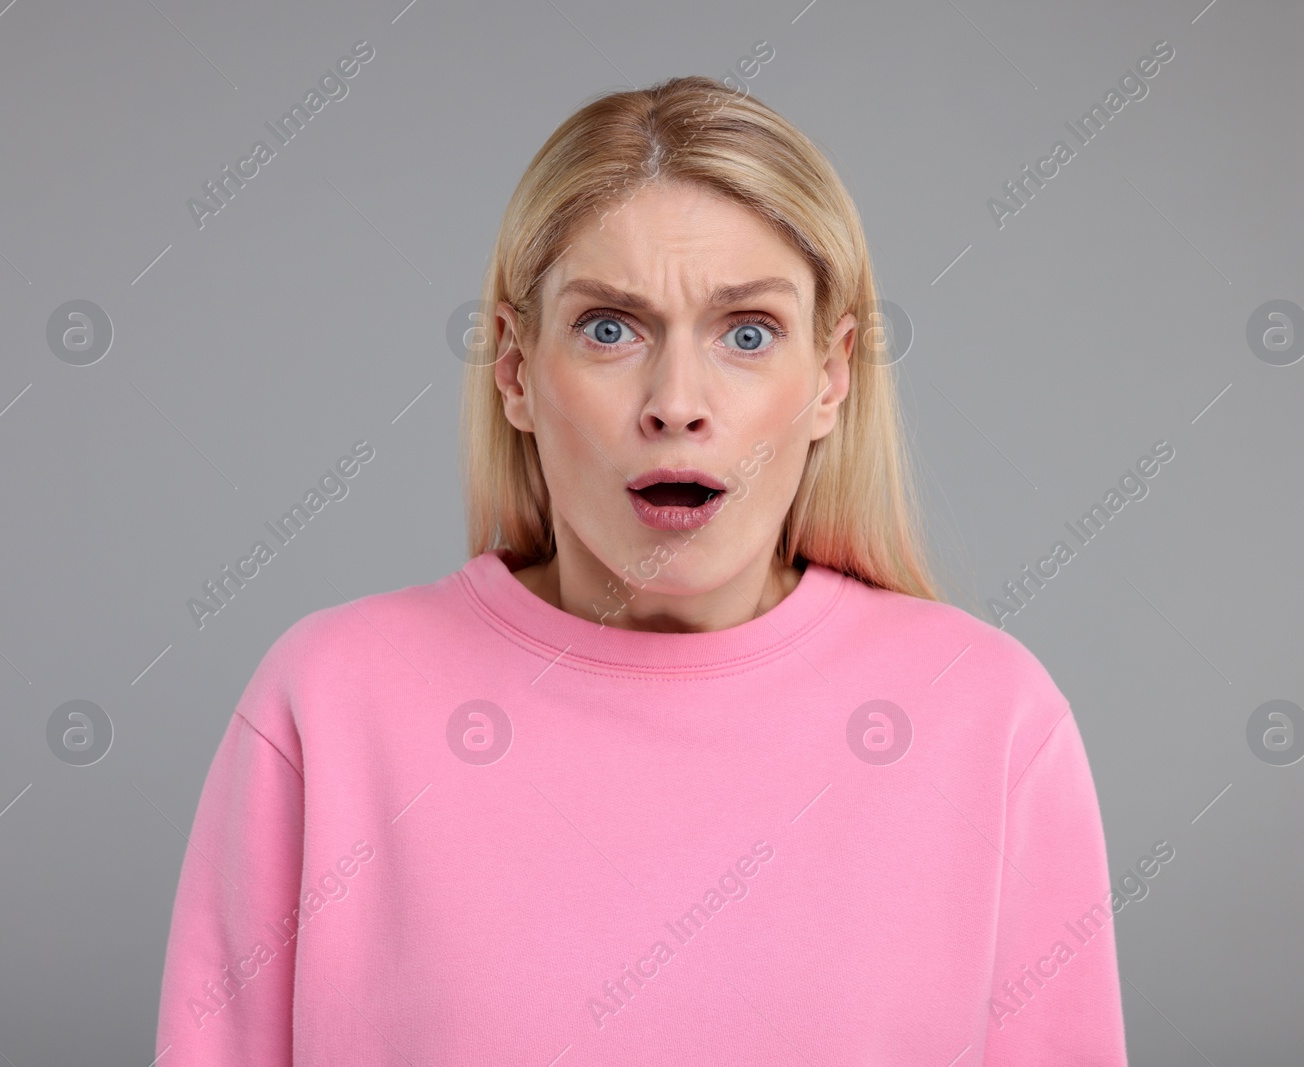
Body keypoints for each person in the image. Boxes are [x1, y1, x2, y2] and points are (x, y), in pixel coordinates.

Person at [153, 74, 1127, 1065]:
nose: (675, 401)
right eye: (609, 328)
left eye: (747, 333)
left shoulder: (990, 717)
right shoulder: (327, 701)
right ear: (516, 372)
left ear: (830, 377)